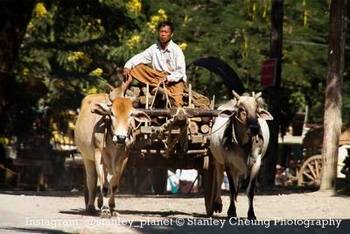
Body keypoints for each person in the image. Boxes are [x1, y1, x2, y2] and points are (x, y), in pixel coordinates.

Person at [122, 21, 187, 107]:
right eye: (161, 31)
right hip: (157, 78)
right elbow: (139, 57)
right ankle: (120, 94)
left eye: (166, 32)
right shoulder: (154, 48)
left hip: (174, 81)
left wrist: (168, 78)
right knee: (134, 67)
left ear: (171, 34)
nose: (163, 34)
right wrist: (127, 66)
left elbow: (180, 72)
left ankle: (160, 90)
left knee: (177, 105)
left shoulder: (176, 50)